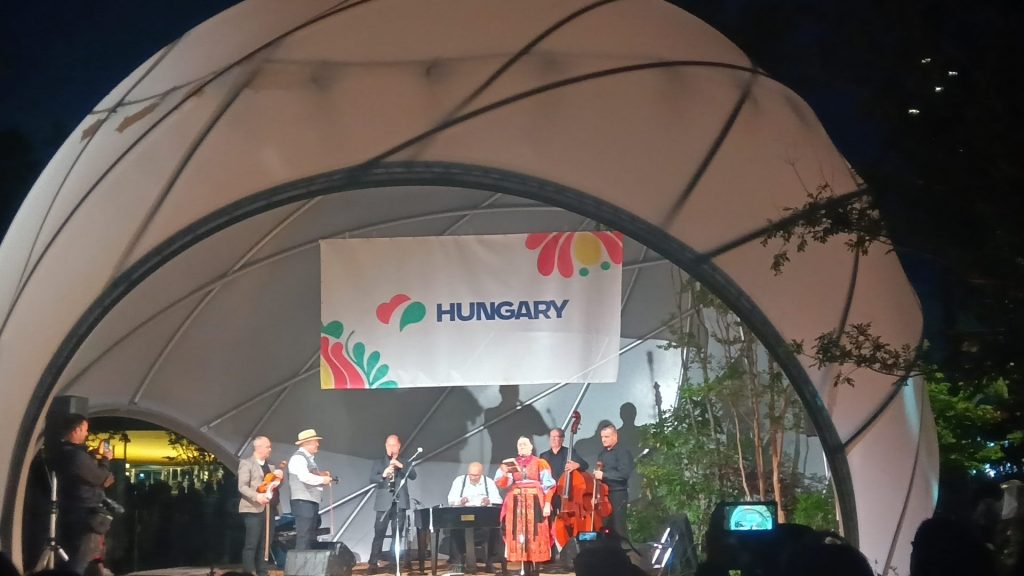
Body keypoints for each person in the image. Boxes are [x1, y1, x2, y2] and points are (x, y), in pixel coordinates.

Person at [52, 414, 114, 575]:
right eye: (85, 430)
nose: (87, 434)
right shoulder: (75, 456)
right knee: (79, 561)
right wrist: (106, 460)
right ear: (76, 430)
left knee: (78, 560)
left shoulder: (62, 453)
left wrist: (92, 458)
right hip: (83, 516)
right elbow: (100, 477)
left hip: (71, 513)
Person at [496, 436, 556, 576]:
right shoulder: (511, 463)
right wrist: (505, 473)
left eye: (524, 444)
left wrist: (547, 503)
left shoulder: (541, 463)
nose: (522, 447)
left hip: (536, 502)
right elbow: (502, 484)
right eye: (519, 445)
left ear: (531, 447)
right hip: (516, 503)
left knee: (536, 533)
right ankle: (524, 568)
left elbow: (550, 486)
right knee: (518, 534)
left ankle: (536, 569)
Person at [368, 435, 417, 575]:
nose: (391, 448)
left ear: (399, 446)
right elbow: (372, 478)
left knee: (397, 535)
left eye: (394, 445)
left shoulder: (405, 462)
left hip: (400, 503)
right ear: (385, 446)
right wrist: (383, 474)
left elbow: (413, 475)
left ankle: (394, 563)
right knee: (379, 533)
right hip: (383, 503)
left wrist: (400, 466)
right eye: (389, 445)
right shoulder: (379, 462)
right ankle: (373, 563)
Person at [238, 436, 282, 576]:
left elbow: (274, 488)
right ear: (258, 447)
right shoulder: (246, 463)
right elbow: (242, 486)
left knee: (266, 544)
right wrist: (257, 496)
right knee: (252, 543)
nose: (270, 449)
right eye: (267, 446)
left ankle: (263, 572)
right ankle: (249, 572)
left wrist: (280, 478)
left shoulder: (271, 466)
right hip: (253, 509)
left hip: (269, 509)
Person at [446, 462, 502, 572]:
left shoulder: (488, 482)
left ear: (481, 473)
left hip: (482, 516)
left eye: (476, 475)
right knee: (455, 529)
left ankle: (490, 562)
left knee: (493, 530)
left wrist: (489, 501)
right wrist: (460, 501)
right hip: (463, 514)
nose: (472, 477)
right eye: (470, 474)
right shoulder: (459, 481)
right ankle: (457, 563)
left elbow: (498, 500)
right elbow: (451, 499)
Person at [287, 429, 334, 550]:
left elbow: (310, 476)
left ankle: (308, 560)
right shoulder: (298, 458)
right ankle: (300, 560)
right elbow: (304, 477)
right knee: (304, 535)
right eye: (315, 442)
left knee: (311, 535)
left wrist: (322, 478)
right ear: (307, 443)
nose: (318, 444)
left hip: (310, 501)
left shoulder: (309, 459)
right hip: (302, 501)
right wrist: (322, 479)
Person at [594, 424, 633, 541]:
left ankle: (623, 549)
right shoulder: (602, 453)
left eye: (606, 437)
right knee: (606, 527)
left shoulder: (623, 452)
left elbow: (624, 474)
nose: (603, 440)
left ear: (615, 436)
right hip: (604, 496)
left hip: (618, 494)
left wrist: (604, 475)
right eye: (602, 437)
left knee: (618, 526)